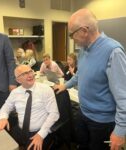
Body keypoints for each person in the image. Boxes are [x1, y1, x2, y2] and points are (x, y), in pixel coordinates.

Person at [54, 8, 126, 150]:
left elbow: (124, 96)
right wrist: (65, 85)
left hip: (102, 122)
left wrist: (120, 131)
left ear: (84, 31)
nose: (71, 38)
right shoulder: (83, 49)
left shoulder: (113, 52)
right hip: (84, 113)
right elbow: (81, 74)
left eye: (71, 34)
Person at [0, 65, 59, 150]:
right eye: (24, 74)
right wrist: (3, 118)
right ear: (18, 80)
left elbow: (54, 114)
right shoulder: (15, 92)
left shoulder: (46, 90)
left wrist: (41, 134)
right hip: (20, 130)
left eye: (30, 71)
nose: (30, 75)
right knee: (2, 143)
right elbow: (6, 107)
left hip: (39, 131)